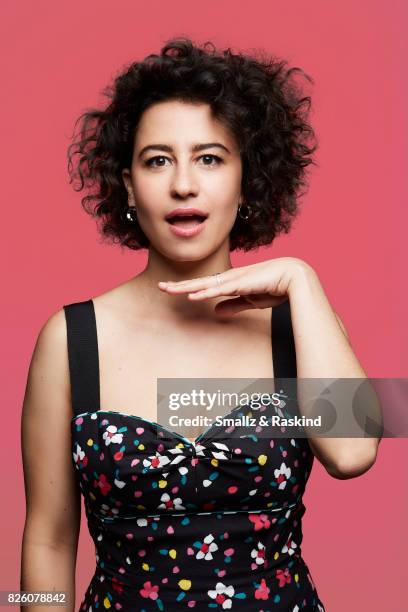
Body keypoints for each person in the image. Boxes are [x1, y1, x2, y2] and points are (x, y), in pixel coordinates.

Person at [20, 37, 379, 611]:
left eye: (210, 158)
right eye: (157, 160)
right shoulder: (70, 339)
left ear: (246, 182)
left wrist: (302, 279)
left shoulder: (300, 323)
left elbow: (355, 453)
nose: (183, 183)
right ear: (129, 186)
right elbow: (48, 538)